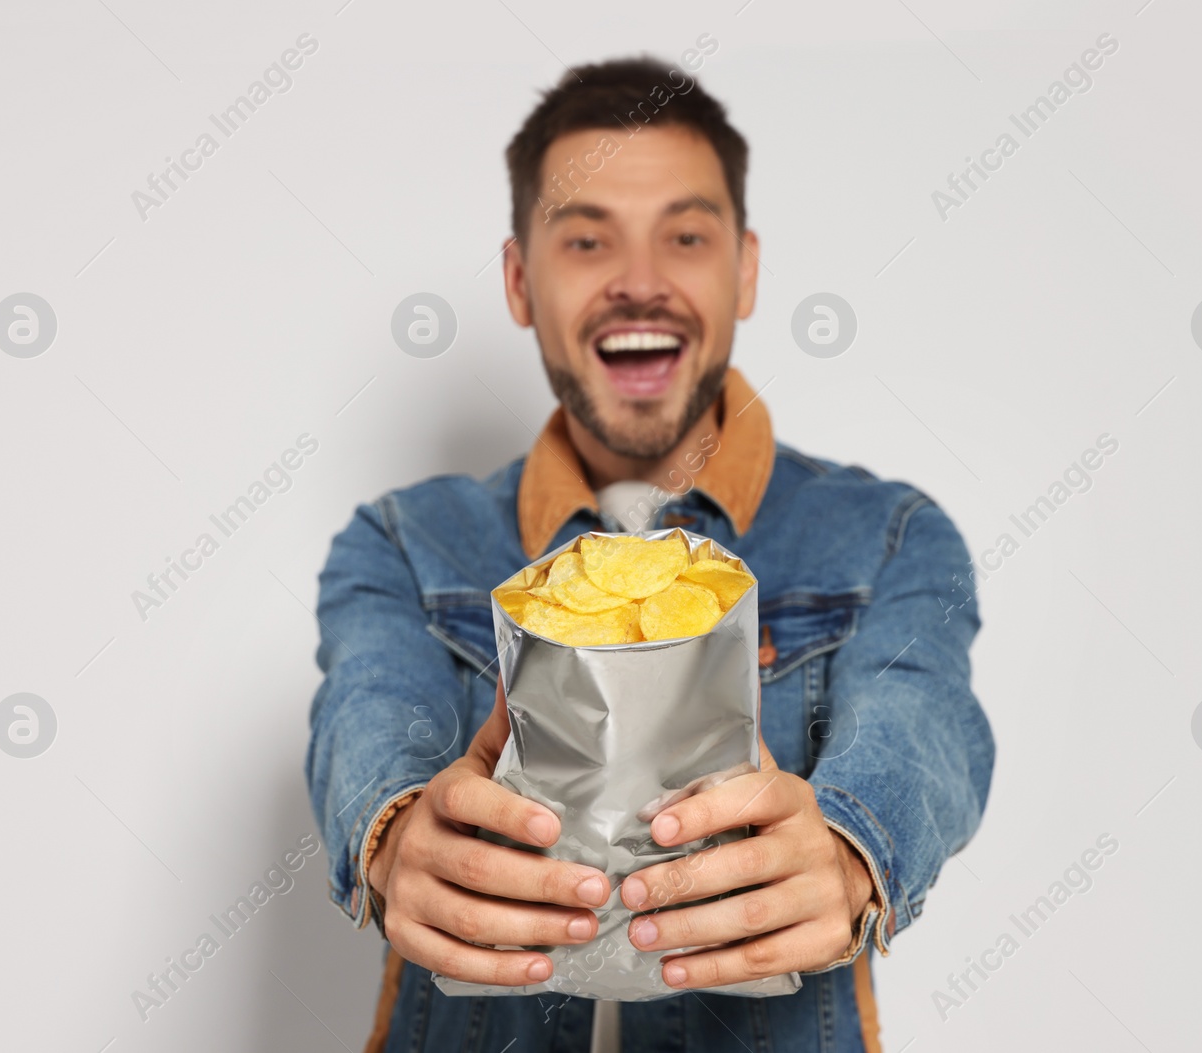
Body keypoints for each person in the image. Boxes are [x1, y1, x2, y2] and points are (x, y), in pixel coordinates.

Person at [304, 56, 996, 1053]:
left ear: (745, 268)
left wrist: (851, 849)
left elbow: (928, 722)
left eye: (685, 236)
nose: (638, 282)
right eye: (586, 241)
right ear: (518, 281)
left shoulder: (889, 537)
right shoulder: (405, 545)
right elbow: (366, 710)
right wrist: (393, 832)